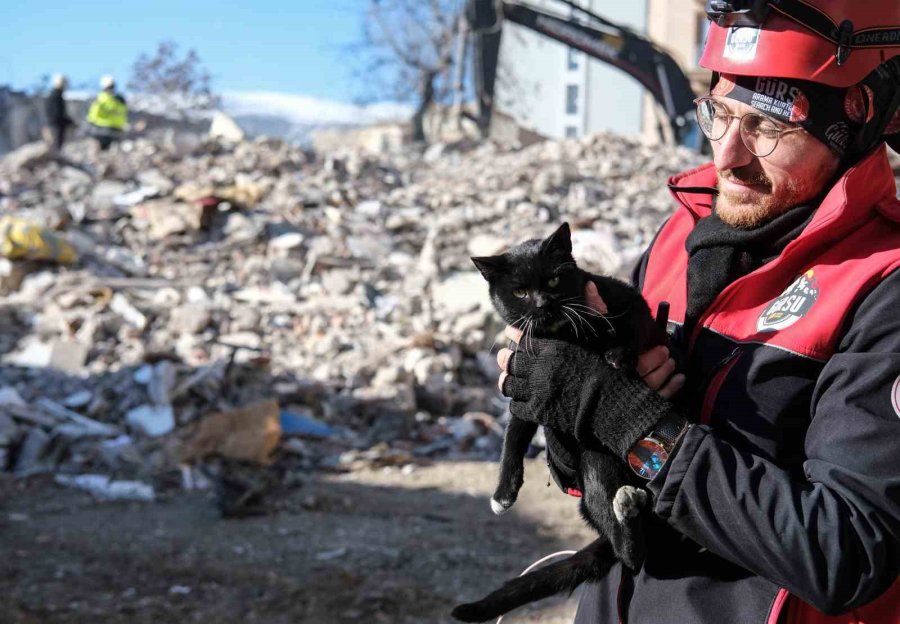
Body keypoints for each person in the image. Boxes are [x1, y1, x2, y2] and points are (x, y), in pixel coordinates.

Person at [495, 1, 900, 622]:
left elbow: (846, 553)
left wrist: (635, 423)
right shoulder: (675, 242)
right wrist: (566, 406)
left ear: (856, 121)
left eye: (767, 125)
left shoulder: (882, 287)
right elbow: (595, 478)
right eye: (718, 113)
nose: (728, 155)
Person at [85, 75, 127, 151]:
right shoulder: (120, 100)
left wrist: (91, 122)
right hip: (114, 129)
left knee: (99, 152)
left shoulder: (99, 98)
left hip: (100, 129)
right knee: (111, 153)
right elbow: (122, 115)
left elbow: (92, 115)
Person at [44, 74, 74, 151]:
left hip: (53, 125)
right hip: (56, 127)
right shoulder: (56, 96)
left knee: (54, 148)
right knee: (55, 148)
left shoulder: (53, 95)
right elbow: (57, 114)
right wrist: (69, 122)